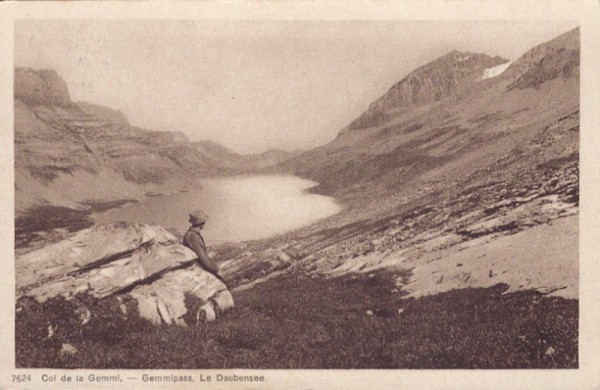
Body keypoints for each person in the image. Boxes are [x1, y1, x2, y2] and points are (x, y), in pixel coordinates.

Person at [183, 209, 221, 279]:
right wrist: (216, 268)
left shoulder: (192, 234)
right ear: (202, 223)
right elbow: (203, 258)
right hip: (198, 271)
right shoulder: (193, 236)